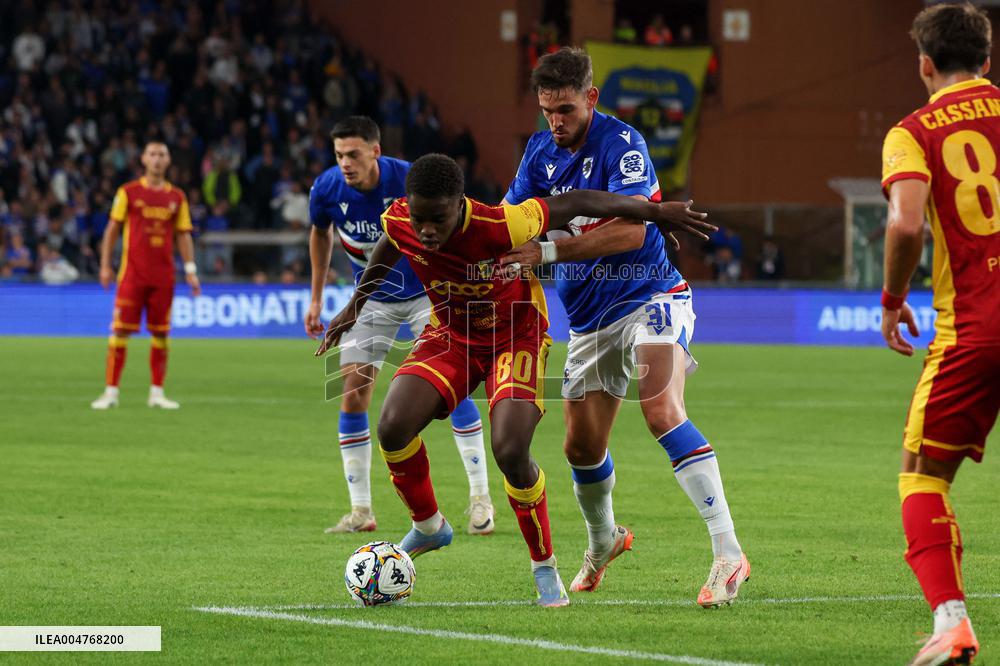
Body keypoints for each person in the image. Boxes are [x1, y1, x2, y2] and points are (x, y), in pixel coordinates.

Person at [315, 153, 712, 606]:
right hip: (453, 335)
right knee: (392, 426)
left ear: (459, 205)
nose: (425, 230)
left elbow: (574, 201)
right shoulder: (403, 218)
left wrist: (656, 211)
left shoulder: (502, 224)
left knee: (509, 448)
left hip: (516, 336)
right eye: (419, 217)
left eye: (437, 219)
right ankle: (428, 526)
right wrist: (355, 305)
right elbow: (390, 239)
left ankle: (544, 565)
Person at [501, 47, 749, 606]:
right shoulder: (538, 154)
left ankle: (729, 553)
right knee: (581, 449)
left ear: (590, 97)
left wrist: (544, 252)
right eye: (547, 111)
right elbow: (508, 219)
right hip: (588, 320)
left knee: (660, 407)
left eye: (565, 109)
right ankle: (604, 540)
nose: (556, 122)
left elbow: (635, 233)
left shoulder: (622, 144)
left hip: (650, 296)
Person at [879, 4, 1000, 664]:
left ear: (925, 65)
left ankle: (952, 621)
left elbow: (905, 224)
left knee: (923, 476)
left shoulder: (912, 132)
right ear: (987, 60)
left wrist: (894, 298)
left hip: (977, 330)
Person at [305, 117, 495, 536]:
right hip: (372, 299)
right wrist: (317, 296)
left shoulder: (410, 179)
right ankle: (360, 511)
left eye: (353, 154)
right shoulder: (326, 189)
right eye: (339, 156)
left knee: (451, 386)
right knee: (352, 393)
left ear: (375, 151)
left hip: (427, 293)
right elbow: (320, 235)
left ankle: (480, 498)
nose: (345, 164)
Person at [91, 140, 201, 410]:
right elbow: (112, 231)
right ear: (143, 159)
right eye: (152, 154)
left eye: (162, 154)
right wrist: (105, 265)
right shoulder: (128, 192)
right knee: (119, 332)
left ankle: (156, 393)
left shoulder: (177, 197)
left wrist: (190, 269)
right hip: (132, 275)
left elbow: (183, 235)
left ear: (168, 160)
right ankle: (111, 392)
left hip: (163, 277)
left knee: (161, 334)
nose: (157, 159)